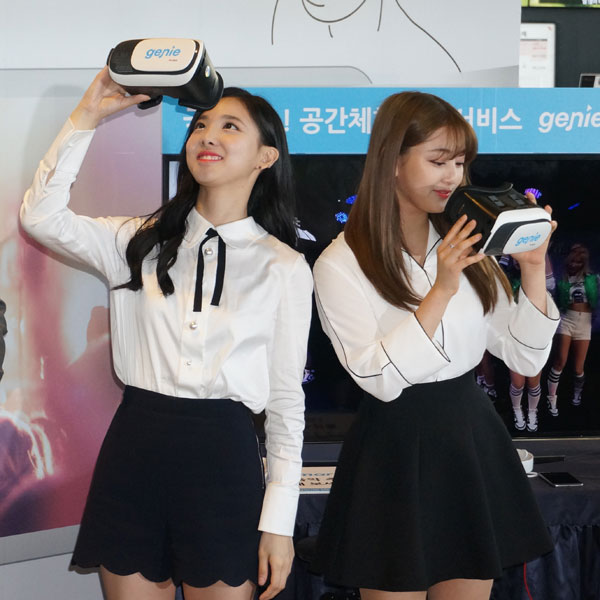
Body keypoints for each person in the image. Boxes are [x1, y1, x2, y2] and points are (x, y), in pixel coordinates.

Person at [20, 67, 313, 600]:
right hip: (135, 451)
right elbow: (40, 217)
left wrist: (279, 523)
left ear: (266, 157)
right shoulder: (136, 240)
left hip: (224, 461)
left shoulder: (284, 266)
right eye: (200, 125)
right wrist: (87, 115)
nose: (207, 136)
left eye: (229, 127)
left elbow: (286, 403)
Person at [310, 91, 559, 599]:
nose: (452, 176)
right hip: (393, 446)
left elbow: (524, 356)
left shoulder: (470, 245)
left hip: (470, 437)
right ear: (393, 162)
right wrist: (441, 289)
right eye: (438, 160)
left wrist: (533, 270)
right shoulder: (340, 262)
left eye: (460, 163)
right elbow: (378, 378)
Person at [499, 253, 556, 432]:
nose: (519, 261)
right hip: (515, 337)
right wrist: (508, 254)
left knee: (533, 382)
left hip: (536, 337)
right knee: (517, 383)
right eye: (515, 259)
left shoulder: (540, 282)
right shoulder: (507, 281)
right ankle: (517, 410)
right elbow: (498, 274)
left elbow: (550, 283)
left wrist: (539, 254)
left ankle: (532, 411)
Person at [547, 242, 598, 414]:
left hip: (585, 323)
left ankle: (577, 392)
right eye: (572, 261)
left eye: (578, 262)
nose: (575, 264)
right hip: (566, 319)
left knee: (578, 368)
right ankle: (551, 398)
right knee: (560, 360)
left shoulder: (592, 279)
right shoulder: (563, 279)